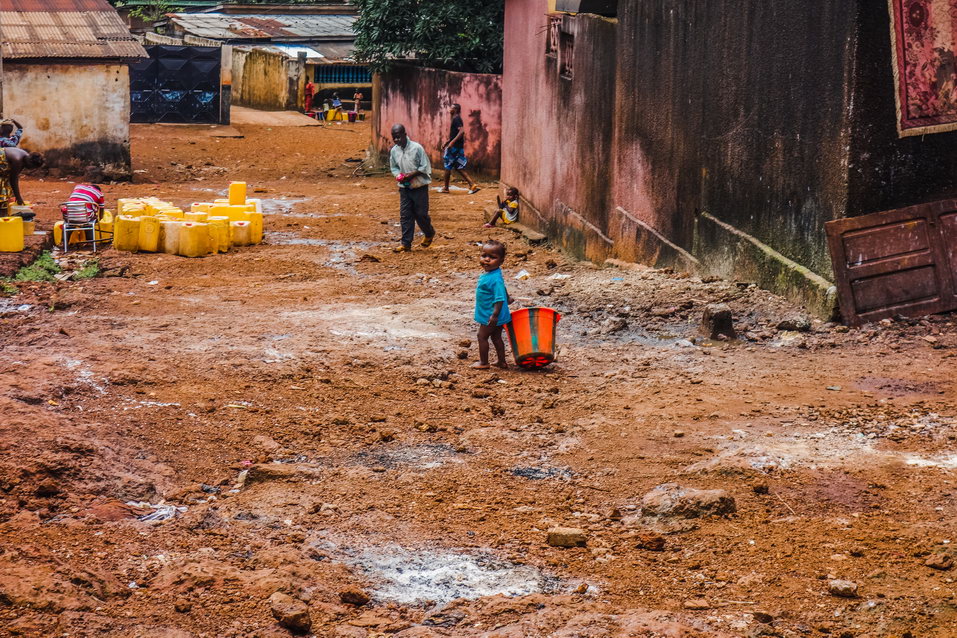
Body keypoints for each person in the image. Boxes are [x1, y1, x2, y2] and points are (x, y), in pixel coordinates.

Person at [389, 124, 434, 253]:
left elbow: (424, 167)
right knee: (405, 215)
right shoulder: (394, 151)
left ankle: (429, 232)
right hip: (404, 187)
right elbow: (394, 167)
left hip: (419, 186)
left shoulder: (417, 148)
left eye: (398, 137)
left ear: (404, 134)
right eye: (394, 138)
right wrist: (399, 176)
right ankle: (406, 243)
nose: (396, 140)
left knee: (421, 214)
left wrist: (411, 175)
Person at [473, 240, 512, 369]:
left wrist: (494, 315)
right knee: (496, 337)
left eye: (493, 257)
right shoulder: (494, 274)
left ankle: (483, 362)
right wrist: (508, 297)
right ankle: (502, 361)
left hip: (491, 314)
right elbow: (502, 291)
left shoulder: (494, 278)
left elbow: (499, 297)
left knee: (482, 336)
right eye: (484, 256)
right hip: (496, 313)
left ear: (501, 261)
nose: (487, 260)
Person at [439, 104, 479, 194]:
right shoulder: (456, 118)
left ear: (455, 110)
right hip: (457, 147)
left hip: (454, 148)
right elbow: (455, 134)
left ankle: (445, 188)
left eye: (451, 108)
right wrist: (447, 142)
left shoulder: (456, 118)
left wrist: (452, 143)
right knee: (459, 167)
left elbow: (461, 131)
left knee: (447, 166)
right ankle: (472, 185)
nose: (450, 109)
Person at [0, 147, 43, 214]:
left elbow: (12, 178)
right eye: (32, 167)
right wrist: (18, 197)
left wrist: (14, 195)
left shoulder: (24, 158)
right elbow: (13, 179)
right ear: (31, 163)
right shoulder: (18, 160)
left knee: (4, 186)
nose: (31, 169)